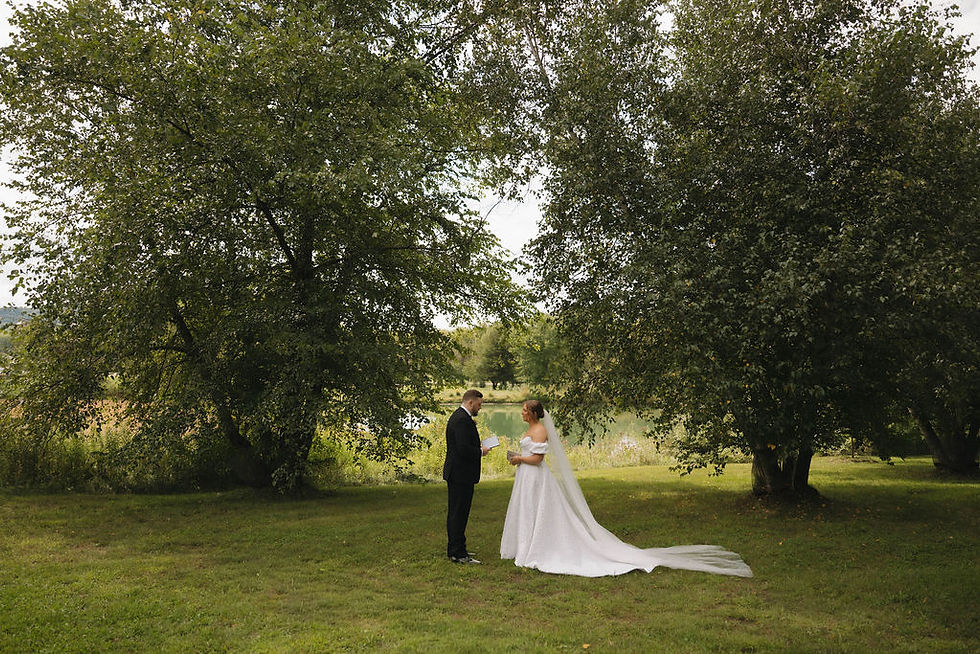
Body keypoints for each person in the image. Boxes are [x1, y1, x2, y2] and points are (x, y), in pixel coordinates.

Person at [500, 400, 753, 578]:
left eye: (524, 410)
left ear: (533, 413)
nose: (521, 413)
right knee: (528, 511)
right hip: (527, 477)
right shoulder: (530, 429)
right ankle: (526, 546)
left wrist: (519, 459)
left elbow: (539, 460)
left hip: (536, 476)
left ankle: (539, 549)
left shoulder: (540, 429)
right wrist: (520, 459)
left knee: (540, 511)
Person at [443, 389, 491, 564]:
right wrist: (481, 451)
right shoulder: (462, 420)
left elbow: (462, 444)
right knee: (458, 513)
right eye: (479, 404)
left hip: (459, 473)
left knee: (459, 513)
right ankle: (458, 553)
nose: (480, 408)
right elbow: (463, 449)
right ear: (470, 403)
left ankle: (457, 549)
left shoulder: (460, 417)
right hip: (460, 474)